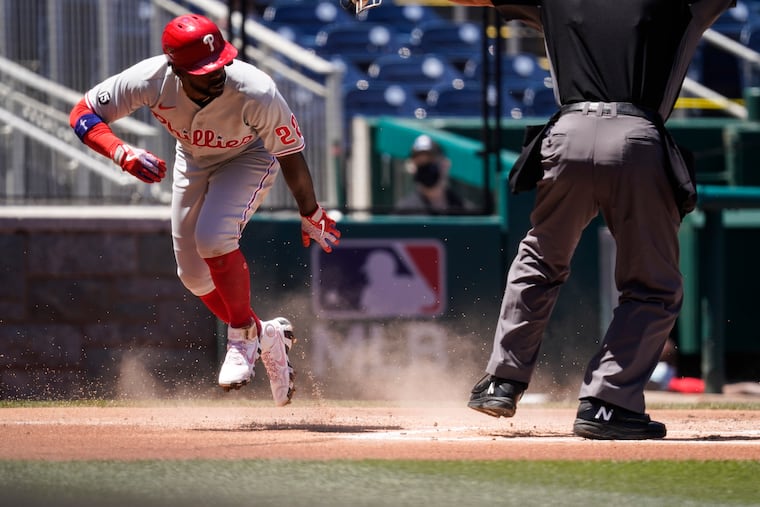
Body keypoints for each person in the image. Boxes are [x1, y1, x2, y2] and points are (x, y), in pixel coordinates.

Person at [346, 0, 735, 439]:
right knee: (653, 286)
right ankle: (608, 402)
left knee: (540, 261)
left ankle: (501, 380)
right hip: (637, 139)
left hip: (567, 135)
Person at [69, 14, 340, 407]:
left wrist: (310, 211)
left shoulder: (256, 89)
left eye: (219, 64)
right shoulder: (150, 78)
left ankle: (242, 336)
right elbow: (82, 113)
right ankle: (267, 335)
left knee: (213, 238)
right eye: (202, 70)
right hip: (192, 158)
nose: (215, 74)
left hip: (249, 156)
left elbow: (291, 154)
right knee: (193, 275)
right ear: (175, 67)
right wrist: (120, 151)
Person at [395, 135, 475, 215]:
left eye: (431, 162)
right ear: (413, 169)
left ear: (445, 165)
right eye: (421, 164)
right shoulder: (404, 212)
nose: (426, 170)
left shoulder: (465, 210)